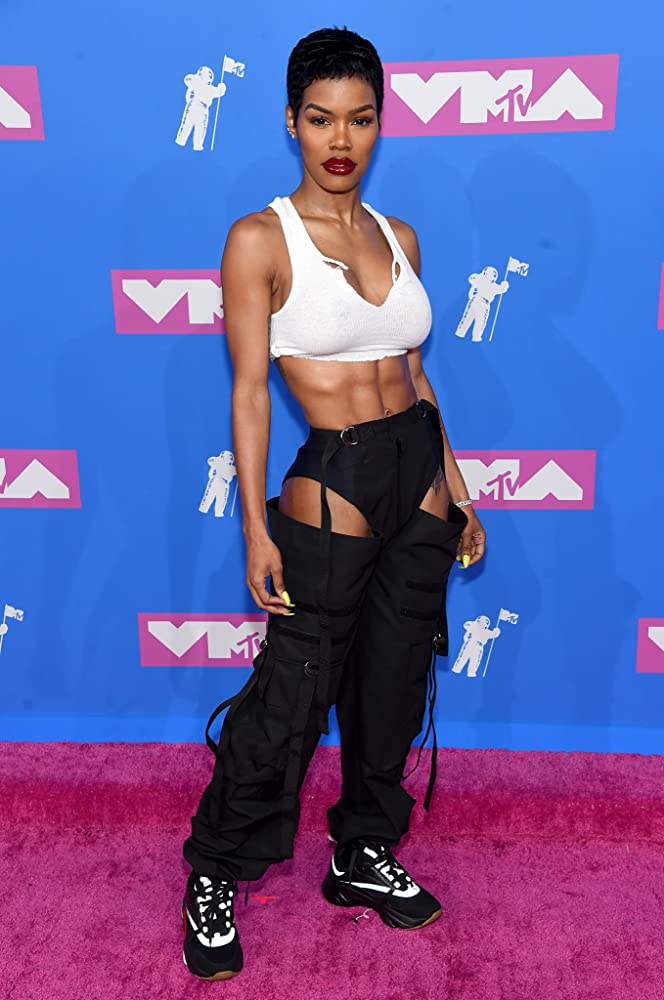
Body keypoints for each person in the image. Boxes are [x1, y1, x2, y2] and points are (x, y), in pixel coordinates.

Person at [180, 26, 486, 981]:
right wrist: (254, 526)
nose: (340, 139)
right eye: (320, 119)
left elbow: (414, 374)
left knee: (393, 681)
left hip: (419, 474)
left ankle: (362, 851)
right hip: (336, 480)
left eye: (359, 119)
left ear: (380, 122)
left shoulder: (401, 236)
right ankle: (215, 869)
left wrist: (460, 490)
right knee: (293, 692)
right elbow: (247, 391)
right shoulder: (259, 239)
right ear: (291, 122)